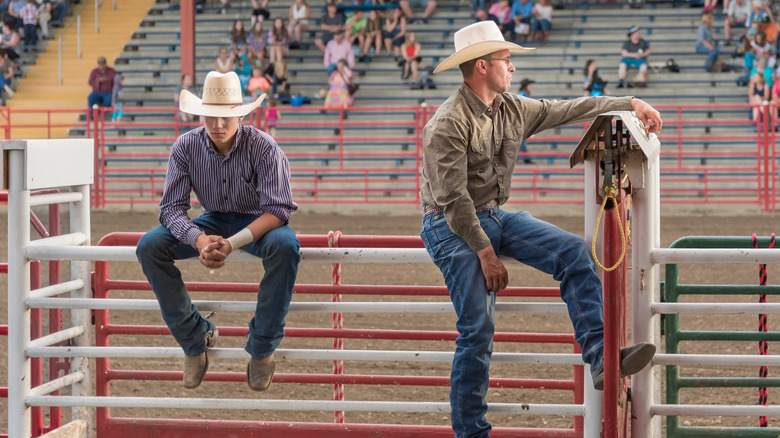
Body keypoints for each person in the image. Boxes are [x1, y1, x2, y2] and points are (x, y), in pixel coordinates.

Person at [421, 21, 659, 438]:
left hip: (492, 214)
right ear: (482, 66)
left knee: (572, 251)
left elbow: (569, 108)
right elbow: (453, 200)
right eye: (506, 60)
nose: (511, 67)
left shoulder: (512, 108)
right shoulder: (448, 123)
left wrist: (630, 101)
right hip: (450, 225)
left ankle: (601, 355)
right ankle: (470, 432)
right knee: (477, 329)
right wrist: (486, 252)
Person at [136, 70, 300, 392]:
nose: (218, 125)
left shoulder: (264, 147)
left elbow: (279, 210)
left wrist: (230, 243)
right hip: (210, 221)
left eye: (226, 117)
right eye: (211, 116)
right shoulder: (185, 147)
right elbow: (170, 208)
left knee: (285, 246)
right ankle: (193, 338)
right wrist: (198, 238)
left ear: (240, 114)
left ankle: (263, 347)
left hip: (256, 220)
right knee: (149, 247)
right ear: (201, 114)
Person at [517, 78, 534, 164]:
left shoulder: (523, 95)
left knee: (520, 142)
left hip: (522, 121)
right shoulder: (522, 96)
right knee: (520, 142)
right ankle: (525, 159)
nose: (531, 87)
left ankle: (525, 159)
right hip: (520, 122)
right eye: (530, 85)